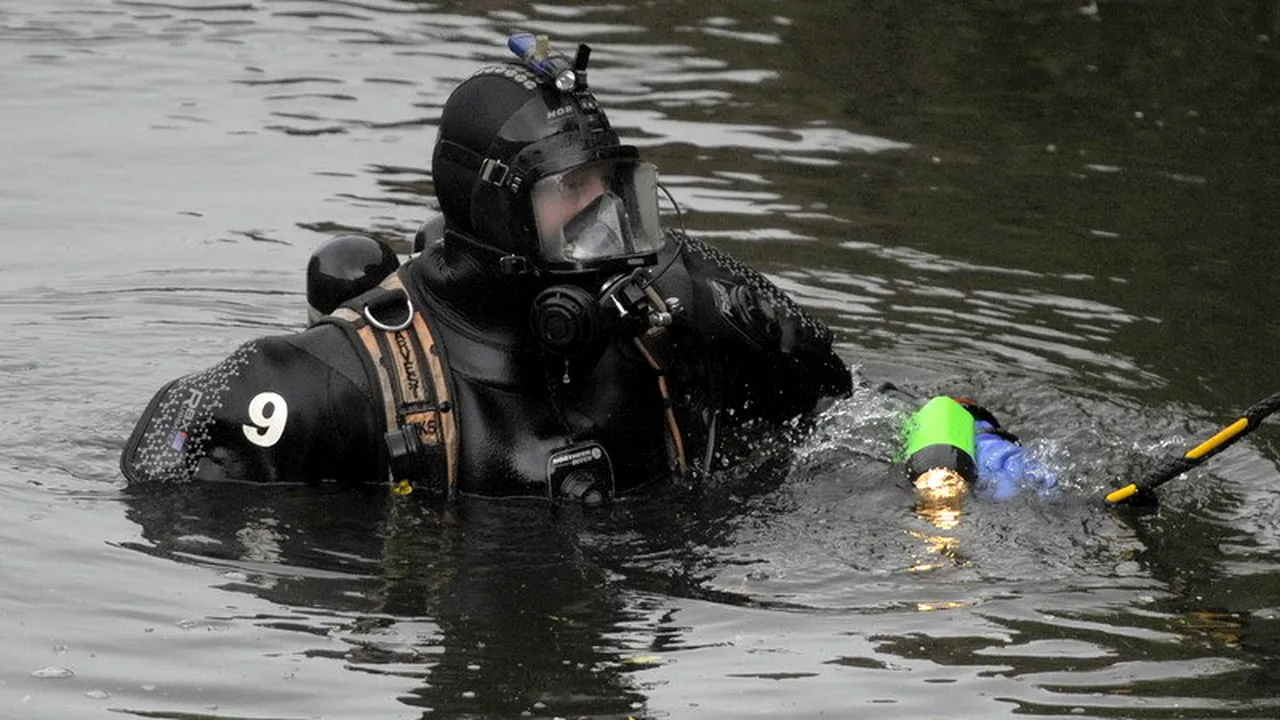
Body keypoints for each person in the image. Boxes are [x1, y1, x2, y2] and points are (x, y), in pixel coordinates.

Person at [120, 34, 852, 502]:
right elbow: (160, 471)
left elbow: (854, 414)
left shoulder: (681, 304)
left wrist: (946, 447)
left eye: (612, 188)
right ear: (494, 209)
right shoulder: (333, 384)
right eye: (570, 193)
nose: (603, 219)